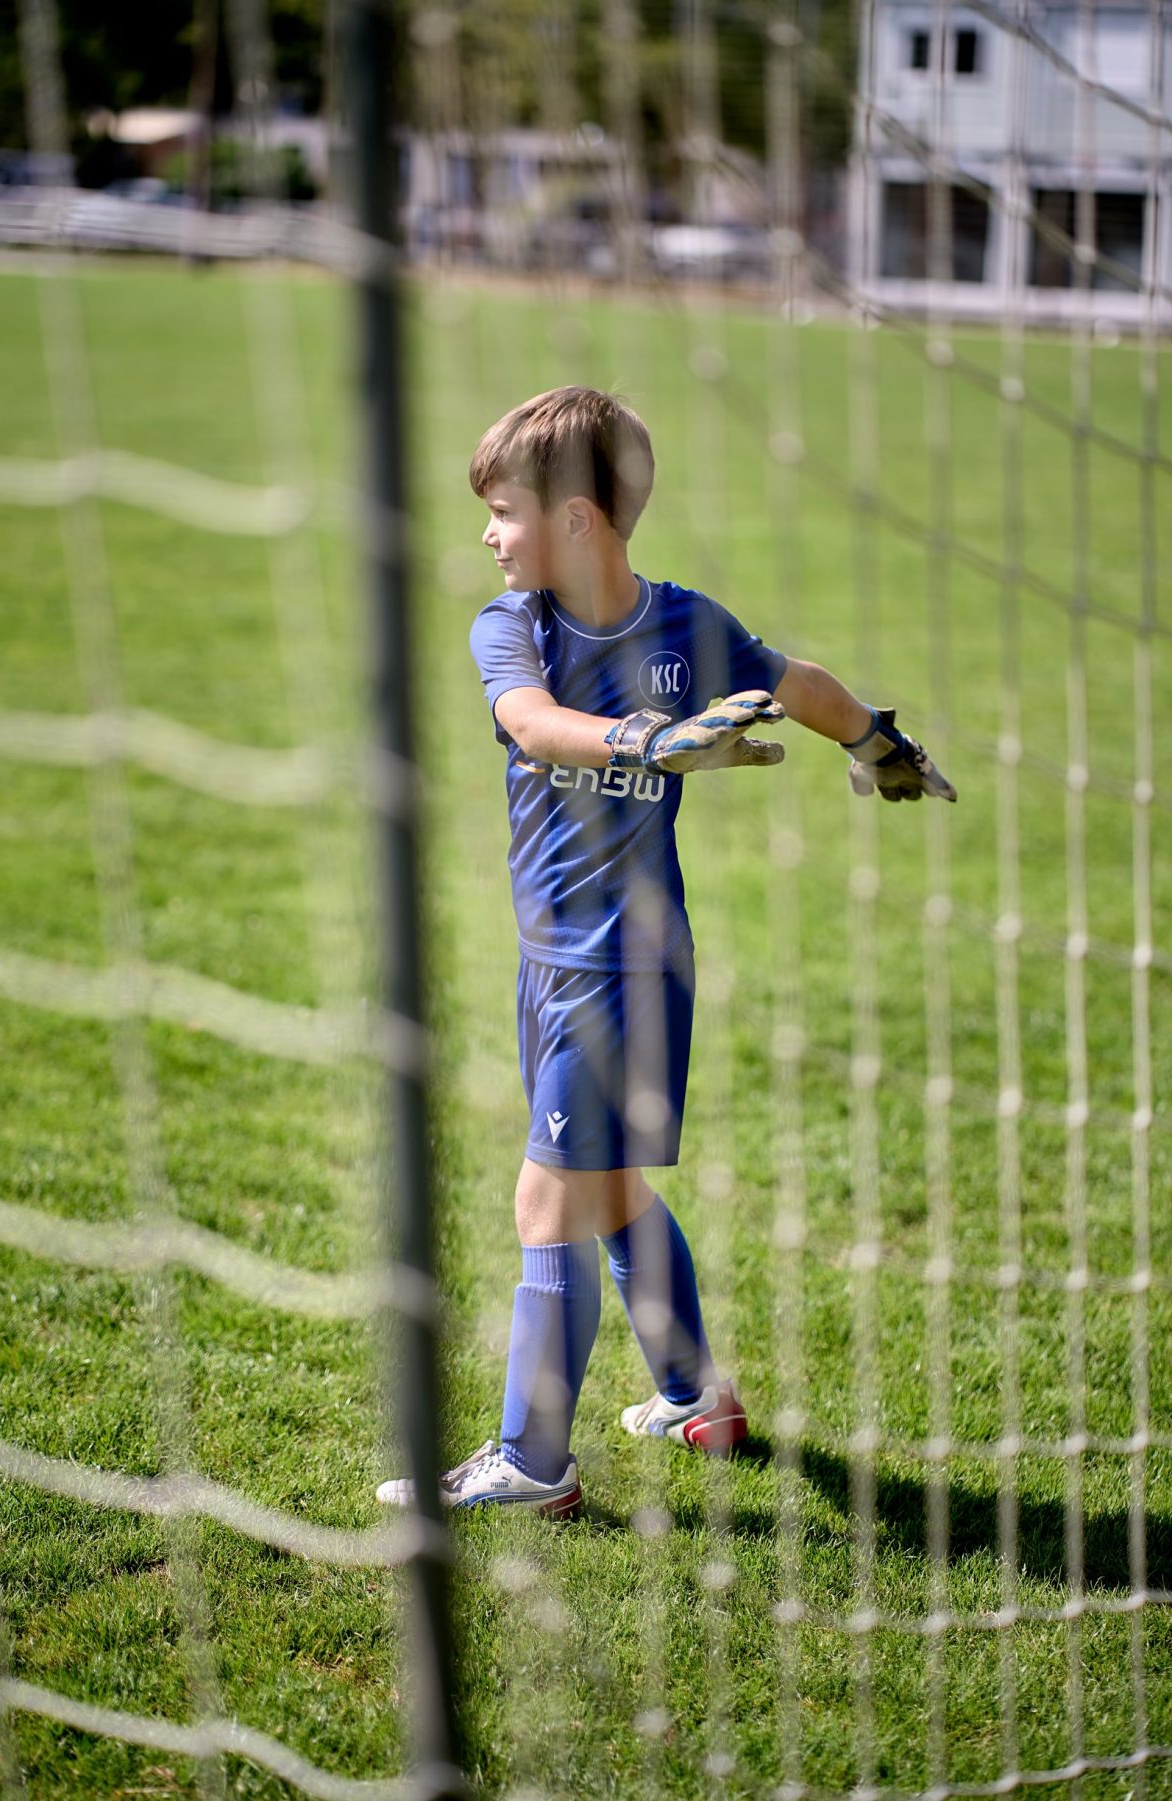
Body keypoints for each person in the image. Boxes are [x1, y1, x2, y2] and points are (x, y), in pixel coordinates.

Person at [376, 386, 955, 1517]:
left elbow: (799, 684)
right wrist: (653, 740)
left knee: (546, 1205)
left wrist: (878, 743)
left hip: (617, 970)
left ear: (579, 518)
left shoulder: (687, 625)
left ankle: (534, 1460)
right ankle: (696, 1395)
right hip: (555, 961)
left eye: (503, 510)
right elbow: (533, 722)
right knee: (610, 1187)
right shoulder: (516, 627)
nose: (488, 534)